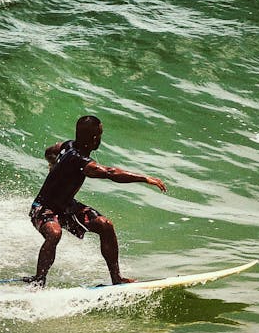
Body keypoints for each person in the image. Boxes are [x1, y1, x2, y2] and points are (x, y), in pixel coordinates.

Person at [26, 115, 166, 287]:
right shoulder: (80, 160)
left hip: (66, 206)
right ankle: (38, 280)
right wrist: (144, 178)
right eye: (100, 133)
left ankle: (117, 278)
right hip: (43, 209)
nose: (101, 137)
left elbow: (50, 152)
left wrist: (53, 165)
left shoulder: (67, 145)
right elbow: (110, 173)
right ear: (94, 138)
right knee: (54, 233)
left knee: (104, 225)